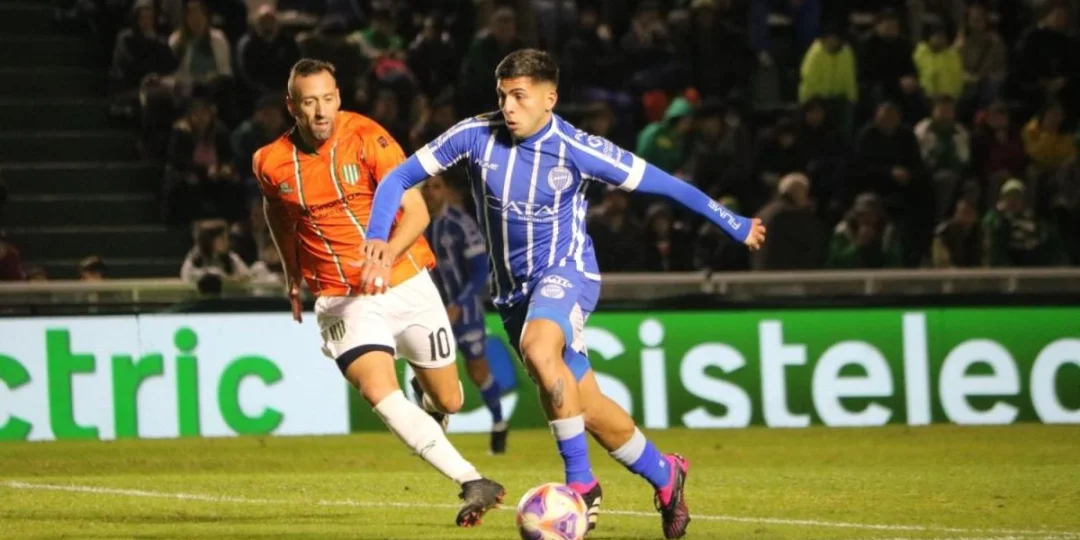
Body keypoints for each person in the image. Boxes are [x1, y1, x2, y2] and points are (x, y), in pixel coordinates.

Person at [360, 49, 766, 539]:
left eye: (520, 96)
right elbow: (399, 176)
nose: (508, 107)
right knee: (585, 405)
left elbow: (666, 185)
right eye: (503, 96)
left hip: (566, 272)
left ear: (549, 98)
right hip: (512, 295)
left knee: (539, 348)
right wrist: (378, 236)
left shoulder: (577, 148)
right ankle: (666, 474)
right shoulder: (475, 134)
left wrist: (735, 223)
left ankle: (582, 486)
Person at [252, 58, 504, 527]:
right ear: (292, 106)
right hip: (341, 297)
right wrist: (291, 273)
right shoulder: (270, 162)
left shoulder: (368, 137)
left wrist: (386, 253)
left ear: (339, 98)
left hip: (406, 281)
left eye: (328, 99)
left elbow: (417, 212)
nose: (321, 111)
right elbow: (277, 213)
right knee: (377, 390)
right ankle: (473, 481)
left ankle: (426, 397)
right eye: (310, 102)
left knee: (449, 401)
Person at [420, 173, 509, 455]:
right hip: (429, 311)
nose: (431, 192)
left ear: (446, 191)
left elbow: (481, 271)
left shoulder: (460, 224)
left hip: (464, 311)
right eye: (426, 187)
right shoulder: (415, 224)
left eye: (437, 187)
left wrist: (459, 304)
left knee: (477, 369)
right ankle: (431, 432)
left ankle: (499, 423)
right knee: (423, 371)